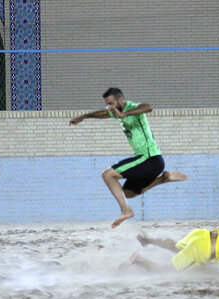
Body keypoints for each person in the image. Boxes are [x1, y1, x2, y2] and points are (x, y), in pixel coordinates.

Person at [69, 88, 187, 228]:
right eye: (107, 104)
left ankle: (126, 211)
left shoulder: (133, 108)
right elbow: (103, 113)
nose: (109, 107)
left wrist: (124, 114)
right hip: (151, 163)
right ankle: (163, 179)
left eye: (111, 103)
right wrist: (84, 116)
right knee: (127, 194)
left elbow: (148, 107)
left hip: (149, 158)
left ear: (120, 100)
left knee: (108, 175)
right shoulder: (114, 111)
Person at [126, 221, 219, 272]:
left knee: (176, 247)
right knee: (166, 272)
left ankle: (148, 240)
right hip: (204, 249)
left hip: (201, 234)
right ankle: (139, 259)